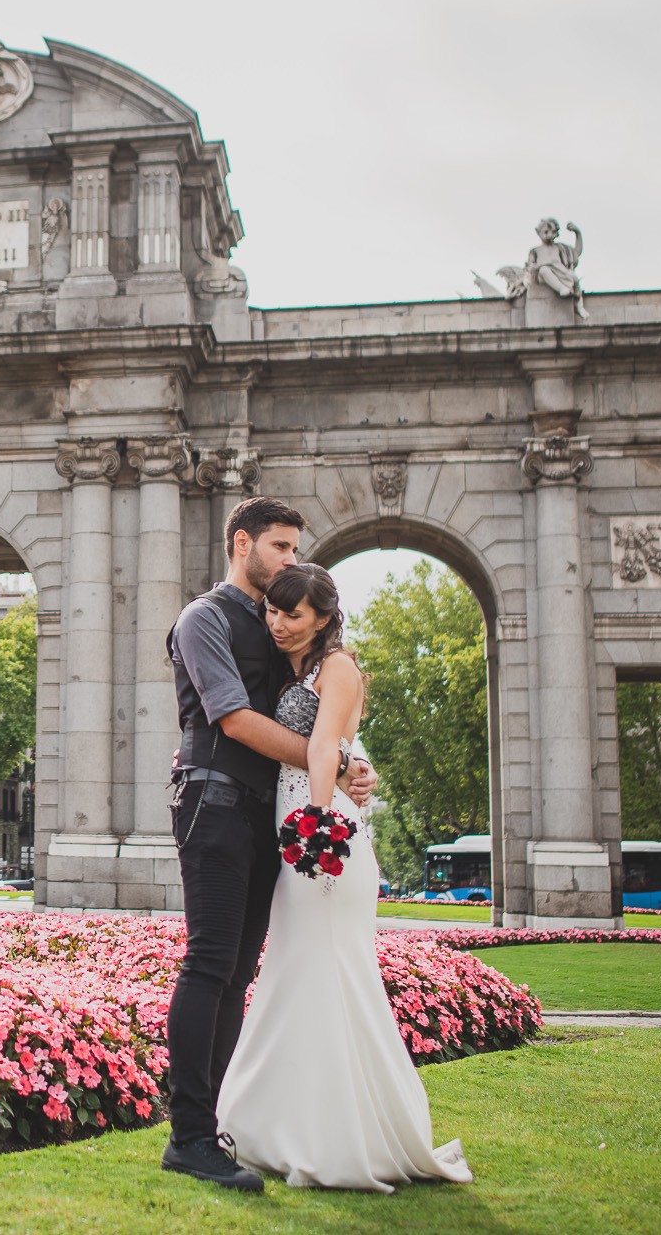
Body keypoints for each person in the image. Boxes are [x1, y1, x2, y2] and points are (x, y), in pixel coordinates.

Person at [217, 564, 472, 1192]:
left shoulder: (337, 667)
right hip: (306, 831)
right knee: (295, 975)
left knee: (328, 975)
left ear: (324, 618)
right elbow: (347, 748)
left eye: (292, 614)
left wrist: (317, 822)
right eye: (273, 612)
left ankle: (330, 1135)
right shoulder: (297, 668)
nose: (277, 623)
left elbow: (327, 744)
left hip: (320, 840)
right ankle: (279, 1125)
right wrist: (354, 773)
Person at [160, 498, 377, 1193]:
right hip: (214, 801)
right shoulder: (204, 618)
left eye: (294, 549)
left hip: (264, 814)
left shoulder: (281, 630)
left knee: (236, 975)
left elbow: (325, 711)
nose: (290, 560)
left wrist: (349, 758)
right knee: (210, 964)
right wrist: (336, 765)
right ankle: (188, 1136)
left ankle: (213, 1127)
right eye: (280, 546)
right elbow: (234, 719)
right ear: (242, 542)